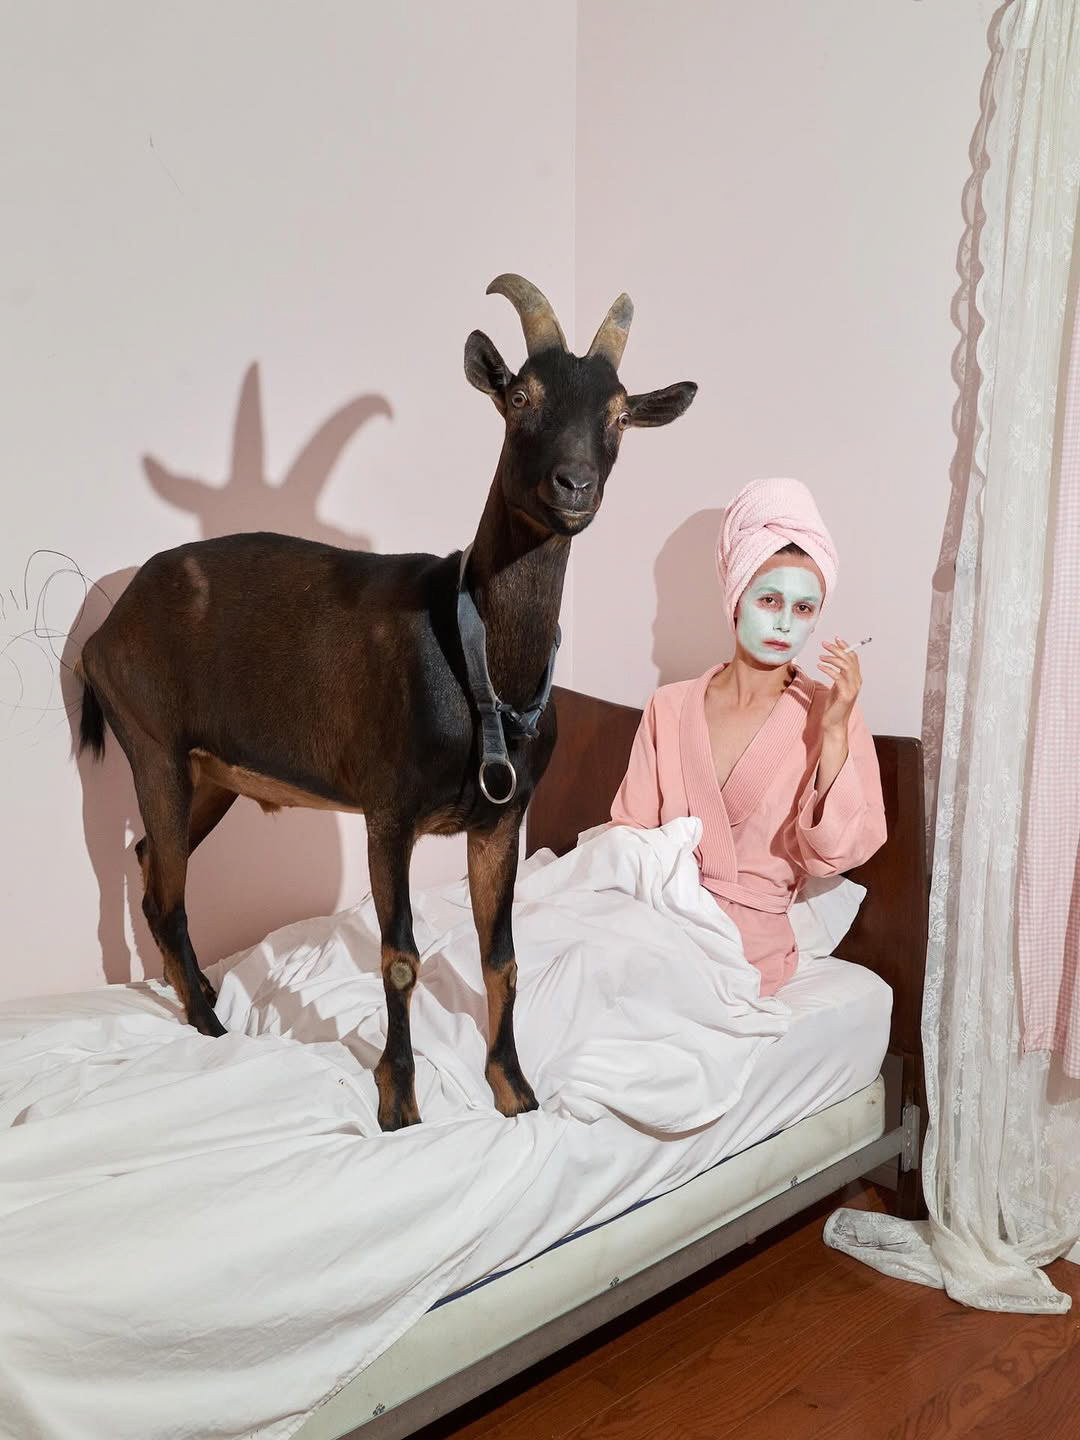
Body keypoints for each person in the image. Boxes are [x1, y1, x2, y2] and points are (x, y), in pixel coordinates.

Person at [610, 477, 887, 994]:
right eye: (769, 600)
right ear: (736, 600)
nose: (784, 624)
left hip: (749, 949)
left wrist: (833, 733)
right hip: (657, 921)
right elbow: (630, 836)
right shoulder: (668, 707)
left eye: (803, 608)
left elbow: (838, 852)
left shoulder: (834, 713)